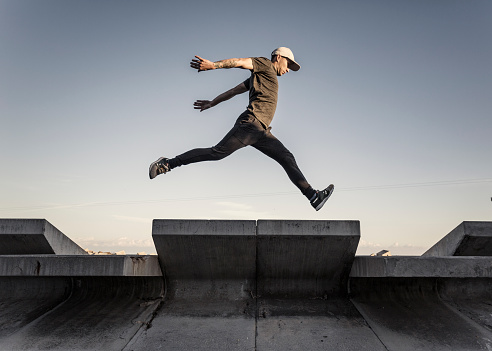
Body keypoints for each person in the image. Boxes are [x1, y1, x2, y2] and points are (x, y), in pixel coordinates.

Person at [149, 47, 334, 211]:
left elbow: (232, 91)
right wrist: (213, 65)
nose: (288, 70)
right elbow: (240, 62)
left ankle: (313, 197)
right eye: (288, 64)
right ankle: (167, 163)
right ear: (278, 57)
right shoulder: (264, 64)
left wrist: (213, 102)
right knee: (216, 153)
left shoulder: (260, 78)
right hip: (250, 125)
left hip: (262, 132)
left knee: (287, 157)